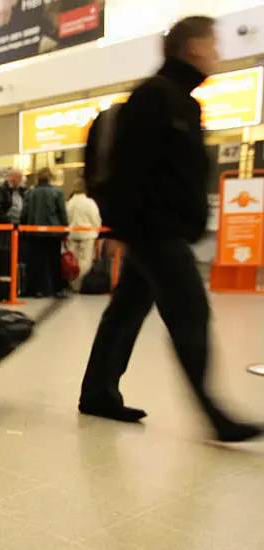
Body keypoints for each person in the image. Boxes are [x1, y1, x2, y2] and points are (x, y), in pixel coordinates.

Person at [79, 16, 262, 442]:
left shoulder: (182, 100)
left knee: (126, 311)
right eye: (213, 43)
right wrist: (118, 227)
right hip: (154, 231)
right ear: (193, 47)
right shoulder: (157, 97)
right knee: (190, 313)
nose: (218, 52)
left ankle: (98, 392)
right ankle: (215, 414)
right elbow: (129, 167)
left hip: (161, 229)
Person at [20, 168, 68, 297]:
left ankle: (39, 289)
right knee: (54, 260)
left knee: (37, 262)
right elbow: (62, 213)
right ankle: (56, 289)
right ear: (50, 178)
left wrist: (23, 228)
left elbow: (24, 213)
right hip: (54, 233)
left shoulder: (30, 193)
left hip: (34, 233)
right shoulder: (58, 193)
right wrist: (65, 229)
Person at [65, 179, 102, 290]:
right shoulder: (89, 202)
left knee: (73, 261)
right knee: (85, 260)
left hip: (72, 234)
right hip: (87, 235)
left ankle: (72, 283)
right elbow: (96, 219)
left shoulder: (69, 203)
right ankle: (81, 284)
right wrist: (97, 229)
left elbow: (66, 218)